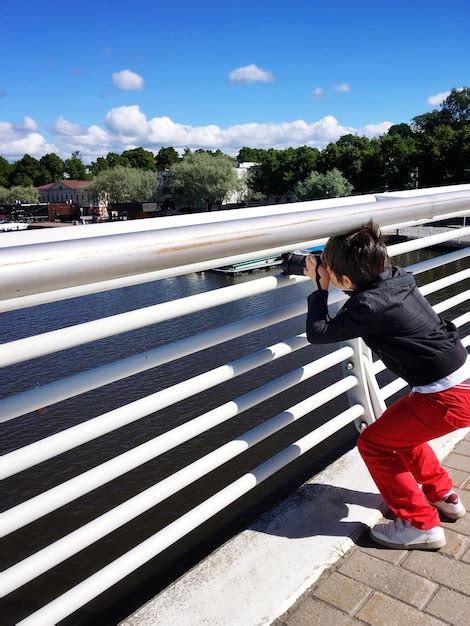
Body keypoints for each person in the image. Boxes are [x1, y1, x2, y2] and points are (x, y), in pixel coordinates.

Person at [304, 222, 469, 550]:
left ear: (347, 281)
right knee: (402, 435)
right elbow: (363, 281)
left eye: (331, 271)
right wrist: (339, 264)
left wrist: (320, 289)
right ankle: (444, 496)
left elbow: (319, 333)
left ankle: (420, 524)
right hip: (458, 379)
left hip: (445, 397)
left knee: (374, 444)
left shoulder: (366, 305)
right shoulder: (397, 277)